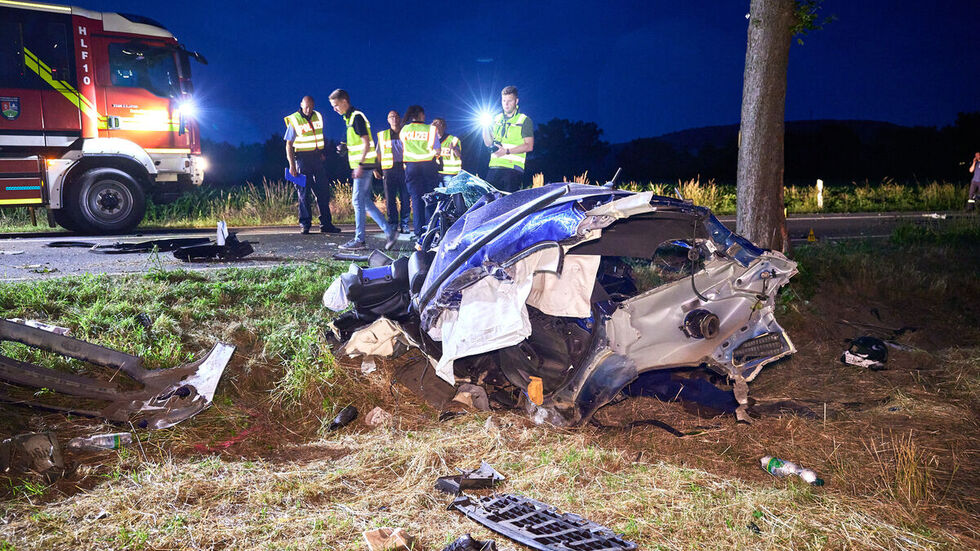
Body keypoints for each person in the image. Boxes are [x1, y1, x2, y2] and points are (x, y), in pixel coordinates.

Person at [328, 89, 396, 250]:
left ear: (344, 101)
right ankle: (389, 232)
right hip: (364, 165)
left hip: (363, 166)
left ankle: (360, 240)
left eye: (336, 105)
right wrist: (345, 148)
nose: (335, 109)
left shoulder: (356, 117)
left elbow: (366, 142)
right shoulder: (350, 118)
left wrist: (359, 165)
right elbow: (359, 143)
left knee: (357, 201)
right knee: (364, 201)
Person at [283, 96, 341, 234]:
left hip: (317, 158)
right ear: (301, 104)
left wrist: (321, 152)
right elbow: (289, 145)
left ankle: (326, 224)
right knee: (303, 193)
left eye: (311, 107)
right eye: (306, 107)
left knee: (323, 192)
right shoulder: (295, 119)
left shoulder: (318, 116)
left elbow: (318, 136)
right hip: (302, 159)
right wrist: (292, 165)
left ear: (314, 105)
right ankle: (305, 224)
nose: (308, 110)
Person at [482, 85, 534, 192]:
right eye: (504, 100)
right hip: (494, 168)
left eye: (509, 101)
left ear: (516, 101)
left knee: (509, 201)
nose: (506, 104)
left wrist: (506, 151)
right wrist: (485, 127)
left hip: (513, 170)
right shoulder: (496, 119)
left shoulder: (524, 120)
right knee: (488, 200)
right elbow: (488, 143)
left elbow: (529, 146)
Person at [399, 105, 440, 238]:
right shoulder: (431, 129)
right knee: (430, 198)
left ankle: (418, 233)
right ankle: (430, 231)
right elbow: (438, 150)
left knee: (416, 199)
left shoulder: (404, 130)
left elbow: (403, 146)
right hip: (429, 166)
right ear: (421, 115)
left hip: (412, 167)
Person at [376, 110, 411, 233]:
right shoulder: (382, 135)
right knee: (390, 198)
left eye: (396, 116)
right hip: (388, 170)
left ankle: (405, 224)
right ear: (388, 120)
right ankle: (393, 223)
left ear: (399, 118)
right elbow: (378, 153)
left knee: (405, 198)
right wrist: (376, 169)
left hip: (404, 169)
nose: (394, 119)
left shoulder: (406, 133)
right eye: (391, 117)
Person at [433, 118, 462, 185]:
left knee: (449, 191)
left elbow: (459, 155)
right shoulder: (432, 140)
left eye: (437, 123)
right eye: (433, 123)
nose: (434, 125)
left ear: (442, 126)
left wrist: (454, 149)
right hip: (436, 173)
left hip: (450, 173)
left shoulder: (453, 139)